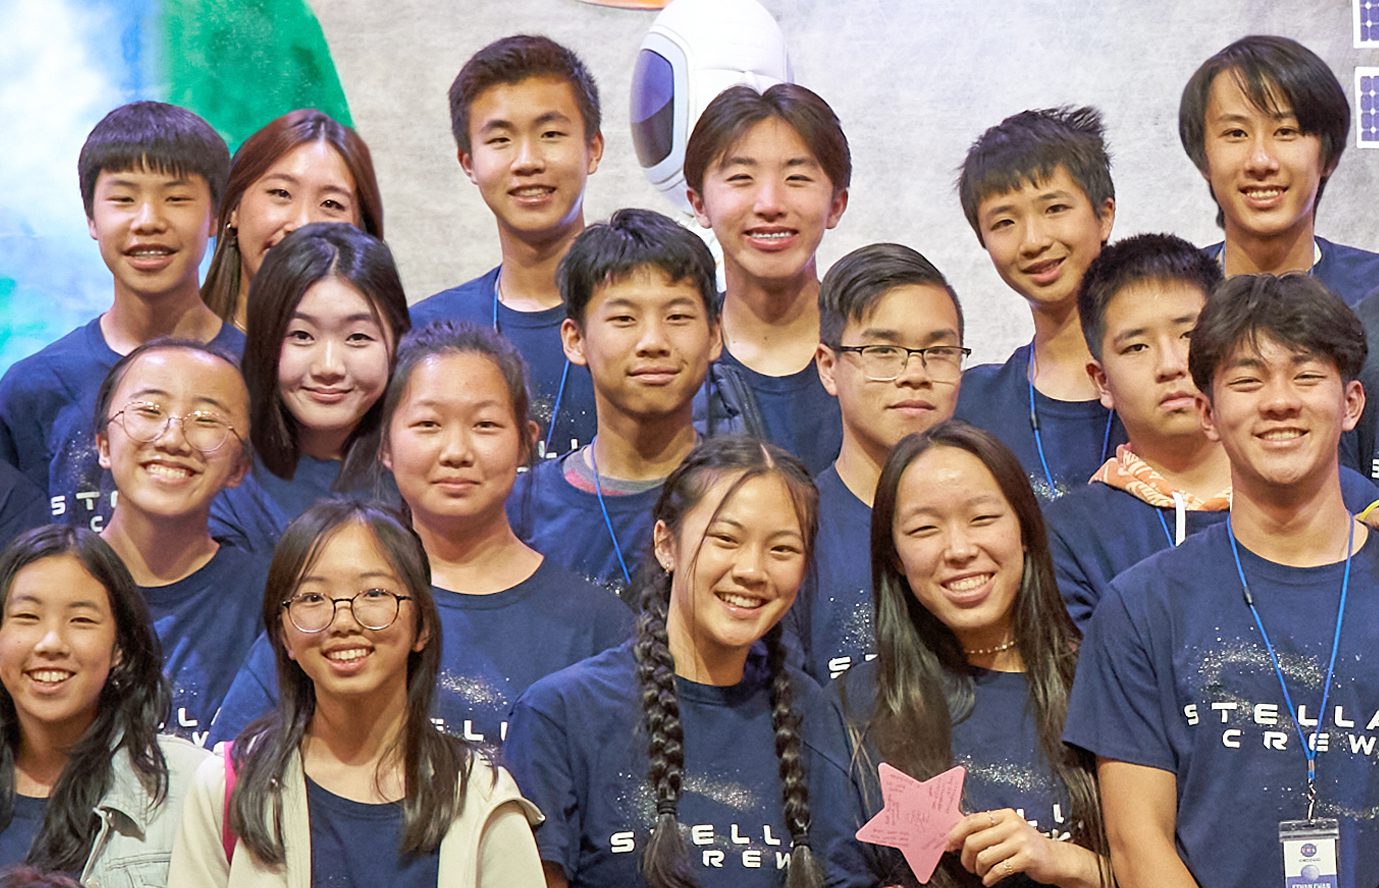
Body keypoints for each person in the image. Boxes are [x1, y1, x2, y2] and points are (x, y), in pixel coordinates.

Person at [1065, 274, 1379, 887]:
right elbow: (1137, 847)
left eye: (1307, 375)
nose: (1280, 400)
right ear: (1208, 412)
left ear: (1351, 405)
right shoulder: (1141, 607)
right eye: (1247, 380)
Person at [209, 321, 631, 748]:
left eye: (484, 425)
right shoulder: (327, 609)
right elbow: (235, 767)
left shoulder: (595, 626)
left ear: (526, 442)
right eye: (428, 424)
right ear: (384, 446)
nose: (456, 452)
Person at [505, 436, 825, 888]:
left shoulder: (814, 713)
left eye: (782, 550)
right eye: (725, 539)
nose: (752, 570)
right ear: (665, 543)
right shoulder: (560, 715)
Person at [170, 501, 545, 885]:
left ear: (422, 626)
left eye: (375, 593)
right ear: (283, 636)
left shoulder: (480, 797)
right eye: (313, 598)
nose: (344, 621)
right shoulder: (227, 789)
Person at [808, 422, 1108, 888]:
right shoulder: (850, 711)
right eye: (925, 529)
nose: (960, 549)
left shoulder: (1105, 682)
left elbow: (1166, 868)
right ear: (895, 558)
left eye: (983, 518)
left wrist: (1066, 862)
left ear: (1026, 531)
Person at [1047, 234, 1379, 628]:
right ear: (1101, 381)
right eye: (1137, 347)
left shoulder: (1349, 496)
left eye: (1188, 335)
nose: (1171, 365)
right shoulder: (1072, 532)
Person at [0, 101, 240, 532]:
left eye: (177, 198)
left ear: (216, 218)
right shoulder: (32, 388)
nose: (148, 220)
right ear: (92, 217)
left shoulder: (260, 373)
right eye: (123, 199)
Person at [509, 208, 720, 600]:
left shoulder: (748, 495)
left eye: (677, 316)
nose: (653, 341)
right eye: (624, 319)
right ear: (575, 340)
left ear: (714, 335)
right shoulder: (519, 511)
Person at [411, 35, 603, 458]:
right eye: (500, 140)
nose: (527, 160)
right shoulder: (426, 332)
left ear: (593, 148)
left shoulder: (647, 322)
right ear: (468, 162)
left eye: (551, 133)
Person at [789, 243, 967, 682]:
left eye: (939, 351)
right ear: (828, 368)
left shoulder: (994, 529)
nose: (915, 373)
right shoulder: (796, 530)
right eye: (884, 352)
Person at [0, 525, 209, 884]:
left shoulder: (191, 785)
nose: (51, 642)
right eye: (27, 617)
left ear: (120, 649)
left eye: (81, 620)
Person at [94, 340, 267, 744]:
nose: (174, 439)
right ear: (103, 444)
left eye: (206, 419)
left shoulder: (270, 601)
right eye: (150, 411)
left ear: (239, 467)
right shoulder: (38, 586)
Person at [953, 106, 1124, 501]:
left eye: (1054, 209)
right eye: (1004, 223)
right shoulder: (972, 405)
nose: (1033, 241)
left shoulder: (1175, 378)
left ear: (1104, 216)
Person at [210, 222, 409, 554]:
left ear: (397, 341)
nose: (328, 367)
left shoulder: (425, 463)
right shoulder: (224, 472)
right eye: (301, 335)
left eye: (358, 337)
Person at [686, 83, 850, 476]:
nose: (770, 204)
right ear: (698, 204)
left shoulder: (877, 353)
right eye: (741, 178)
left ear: (836, 205)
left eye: (797, 178)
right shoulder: (677, 360)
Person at [1178, 36, 1379, 307]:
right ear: (1203, 158)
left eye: (1286, 132)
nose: (1260, 161)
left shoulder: (1372, 294)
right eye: (1236, 133)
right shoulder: (1173, 302)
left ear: (1328, 156)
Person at [201, 109, 384, 331]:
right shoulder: (170, 355)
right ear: (233, 209)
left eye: (330, 204)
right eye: (281, 193)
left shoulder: (394, 360)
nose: (301, 224)